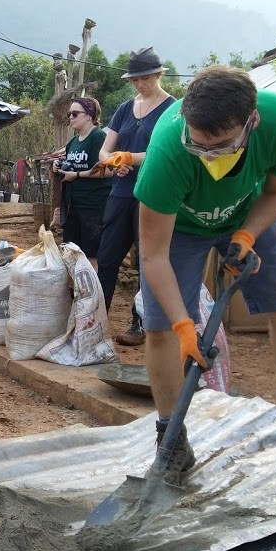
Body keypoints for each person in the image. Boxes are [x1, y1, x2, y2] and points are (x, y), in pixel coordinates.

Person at [135, 64, 276, 481]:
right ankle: (172, 443)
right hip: (178, 228)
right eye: (197, 146)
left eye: (218, 147)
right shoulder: (168, 152)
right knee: (161, 328)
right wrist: (185, 325)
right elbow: (153, 257)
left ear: (250, 122)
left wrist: (247, 233)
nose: (205, 156)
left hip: (249, 212)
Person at [96, 47, 176, 346]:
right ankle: (97, 320)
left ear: (158, 75)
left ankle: (141, 323)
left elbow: (165, 152)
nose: (139, 84)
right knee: (107, 258)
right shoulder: (124, 109)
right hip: (120, 192)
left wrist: (129, 157)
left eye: (144, 78)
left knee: (148, 260)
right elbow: (105, 149)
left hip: (154, 195)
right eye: (135, 80)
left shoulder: (173, 109)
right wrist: (113, 161)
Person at [52, 97, 113, 270]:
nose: (71, 117)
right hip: (73, 206)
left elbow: (108, 170)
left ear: (89, 116)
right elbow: (70, 165)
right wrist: (59, 166)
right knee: (71, 252)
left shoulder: (98, 137)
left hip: (93, 207)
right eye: (69, 113)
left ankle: (92, 294)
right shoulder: (73, 142)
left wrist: (76, 174)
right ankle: (76, 292)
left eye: (75, 113)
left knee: (91, 255)